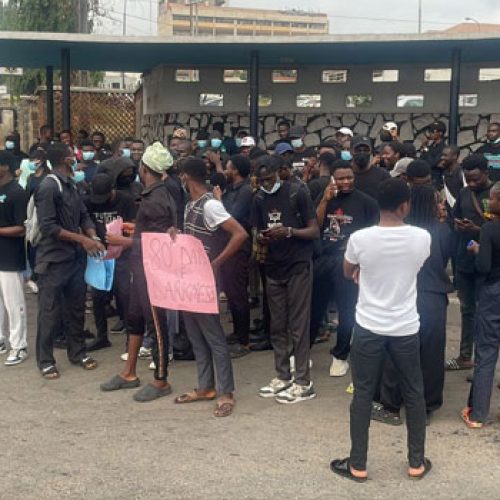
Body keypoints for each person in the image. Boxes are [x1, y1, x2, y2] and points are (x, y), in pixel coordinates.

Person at [330, 178, 431, 482]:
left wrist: (363, 271)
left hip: (368, 326)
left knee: (362, 393)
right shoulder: (422, 237)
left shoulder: (360, 239)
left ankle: (358, 464)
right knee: (414, 392)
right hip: (405, 327)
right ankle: (416, 462)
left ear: (378, 205)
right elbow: (415, 267)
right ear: (405, 206)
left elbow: (348, 271)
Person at [100, 142, 177, 401]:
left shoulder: (156, 198)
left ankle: (161, 380)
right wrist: (134, 228)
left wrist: (124, 241)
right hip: (140, 268)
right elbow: (153, 232)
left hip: (152, 271)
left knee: (156, 324)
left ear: (144, 168)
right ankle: (129, 372)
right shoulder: (155, 194)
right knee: (134, 318)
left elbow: (159, 243)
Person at [373, 184, 453, 425]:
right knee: (431, 353)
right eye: (437, 202)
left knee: (396, 350)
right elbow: (446, 260)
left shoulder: (400, 233)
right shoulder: (442, 232)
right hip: (434, 297)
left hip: (403, 295)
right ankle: (426, 406)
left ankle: (391, 405)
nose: (441, 206)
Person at [176, 157, 248, 417]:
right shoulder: (191, 205)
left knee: (213, 336)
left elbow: (239, 233)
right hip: (188, 279)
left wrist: (215, 263)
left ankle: (226, 392)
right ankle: (205, 386)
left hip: (203, 278)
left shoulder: (210, 206)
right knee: (195, 333)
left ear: (185, 177)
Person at [35, 143, 104, 379]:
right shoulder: (48, 186)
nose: (76, 158)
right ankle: (45, 360)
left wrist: (92, 235)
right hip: (53, 260)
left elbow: (83, 214)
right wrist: (82, 240)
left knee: (76, 308)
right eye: (73, 156)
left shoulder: (72, 184)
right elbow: (48, 226)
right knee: (49, 312)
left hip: (75, 259)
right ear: (66, 159)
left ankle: (78, 352)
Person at [254, 157, 320, 403]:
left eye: (269, 180)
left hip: (298, 264)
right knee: (277, 324)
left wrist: (290, 231)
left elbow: (314, 230)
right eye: (261, 181)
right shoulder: (258, 198)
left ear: (280, 174)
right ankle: (283, 376)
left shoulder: (297, 193)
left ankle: (303, 381)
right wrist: (262, 237)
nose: (265, 184)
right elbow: (257, 230)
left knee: (298, 326)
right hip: (274, 266)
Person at [312, 159, 379, 376]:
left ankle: (341, 355)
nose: (346, 182)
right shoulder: (326, 199)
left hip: (349, 262)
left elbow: (373, 235)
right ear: (333, 178)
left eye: (349, 177)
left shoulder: (366, 202)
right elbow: (315, 225)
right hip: (323, 259)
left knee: (346, 309)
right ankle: (302, 352)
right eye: (340, 178)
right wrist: (324, 199)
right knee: (314, 308)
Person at [446, 154, 493, 371]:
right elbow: (453, 218)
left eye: (476, 178)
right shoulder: (464, 193)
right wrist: (458, 226)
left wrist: (478, 231)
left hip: (491, 263)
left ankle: (486, 362)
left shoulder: (496, 194)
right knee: (467, 310)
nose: (472, 183)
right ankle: (465, 356)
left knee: (489, 313)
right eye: (468, 178)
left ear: (486, 172)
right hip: (465, 260)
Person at [462, 182, 500, 427]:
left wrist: (477, 250)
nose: (489, 201)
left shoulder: (489, 229)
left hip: (493, 292)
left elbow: (484, 266)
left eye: (494, 198)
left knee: (486, 352)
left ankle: (478, 414)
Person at [84, 173, 136, 351]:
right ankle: (101, 336)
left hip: (122, 253)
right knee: (98, 296)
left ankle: (132, 338)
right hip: (99, 253)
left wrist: (123, 240)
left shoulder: (126, 201)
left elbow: (134, 226)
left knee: (124, 296)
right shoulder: (89, 201)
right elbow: (85, 221)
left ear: (112, 190)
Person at [221, 154, 254, 358]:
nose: (225, 170)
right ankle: (237, 333)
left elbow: (232, 216)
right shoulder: (231, 189)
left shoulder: (245, 191)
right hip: (227, 246)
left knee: (239, 293)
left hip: (239, 247)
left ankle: (244, 341)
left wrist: (217, 202)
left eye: (228, 167)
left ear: (236, 170)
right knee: (232, 294)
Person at [0, 151, 29, 365]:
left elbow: (21, 229)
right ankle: (1, 340)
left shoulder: (17, 192)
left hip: (10, 258)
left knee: (14, 303)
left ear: (6, 167)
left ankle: (19, 345)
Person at [351, 136, 390, 200]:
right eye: (358, 150)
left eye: (366, 150)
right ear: (351, 151)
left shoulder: (383, 175)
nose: (362, 153)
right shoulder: (345, 176)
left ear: (371, 152)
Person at [419, 121, 447, 188]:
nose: (430, 133)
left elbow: (432, 163)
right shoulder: (431, 146)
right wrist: (424, 147)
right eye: (429, 131)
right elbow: (422, 160)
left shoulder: (443, 147)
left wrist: (425, 148)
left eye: (433, 131)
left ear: (440, 133)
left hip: (436, 180)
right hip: (426, 178)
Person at [440, 145, 466, 210]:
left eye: (445, 155)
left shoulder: (461, 173)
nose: (442, 157)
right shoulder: (445, 173)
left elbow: (467, 193)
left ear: (455, 156)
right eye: (442, 155)